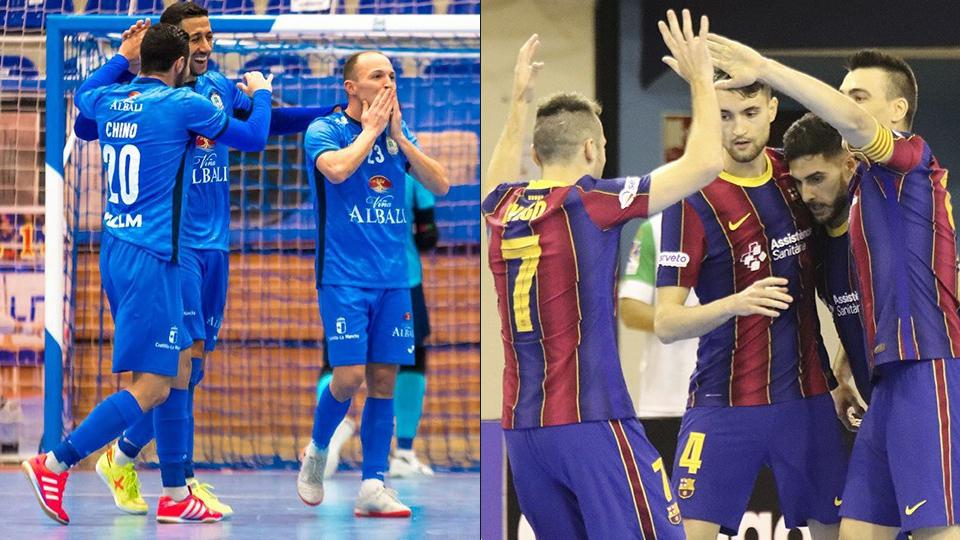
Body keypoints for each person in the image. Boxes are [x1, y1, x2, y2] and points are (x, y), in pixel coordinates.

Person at [73, 3, 338, 518]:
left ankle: (126, 457)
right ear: (173, 44)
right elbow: (87, 125)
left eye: (209, 36)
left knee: (189, 372)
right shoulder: (159, 95)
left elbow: (266, 122)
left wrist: (327, 115)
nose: (203, 46)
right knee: (178, 365)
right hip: (176, 246)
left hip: (215, 242)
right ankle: (179, 482)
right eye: (193, 38)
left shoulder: (215, 84)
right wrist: (123, 67)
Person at [21, 23, 274, 525]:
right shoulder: (183, 105)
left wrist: (121, 57)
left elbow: (86, 96)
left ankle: (177, 494)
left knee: (177, 370)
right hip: (154, 257)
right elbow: (254, 136)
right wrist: (262, 93)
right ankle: (55, 462)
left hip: (117, 249)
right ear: (180, 65)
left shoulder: (111, 97)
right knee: (156, 385)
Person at [709, 36, 960, 539]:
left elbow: (849, 123)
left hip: (928, 365)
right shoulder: (864, 190)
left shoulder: (908, 158)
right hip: (885, 383)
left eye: (858, 96)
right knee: (857, 531)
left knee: (938, 531)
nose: (848, 104)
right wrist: (846, 368)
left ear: (897, 108)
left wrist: (763, 66)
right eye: (844, 93)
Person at [484, 10, 723, 538]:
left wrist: (519, 101)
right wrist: (702, 78)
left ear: (534, 155)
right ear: (592, 150)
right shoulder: (593, 199)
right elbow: (706, 162)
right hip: (591, 422)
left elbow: (498, 172)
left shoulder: (502, 207)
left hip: (522, 433)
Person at [653, 70, 847, 539]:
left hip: (810, 398)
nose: (739, 128)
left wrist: (844, 363)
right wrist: (734, 304)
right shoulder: (691, 197)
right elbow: (666, 322)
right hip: (725, 402)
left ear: (773, 110)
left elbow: (842, 275)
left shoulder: (796, 177)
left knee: (839, 530)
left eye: (750, 113)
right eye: (724, 115)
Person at [297, 49, 449, 518]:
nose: (389, 82)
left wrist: (400, 138)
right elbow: (339, 170)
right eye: (377, 75)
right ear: (352, 87)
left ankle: (374, 484)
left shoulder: (399, 138)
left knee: (384, 380)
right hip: (343, 277)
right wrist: (371, 132)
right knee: (348, 378)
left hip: (393, 280)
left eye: (392, 74)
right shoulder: (323, 130)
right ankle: (318, 450)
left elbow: (441, 185)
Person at [314, 174, 439, 479]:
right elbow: (428, 236)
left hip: (346, 280)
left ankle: (327, 439)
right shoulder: (408, 168)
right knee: (407, 362)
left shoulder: (340, 161)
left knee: (337, 361)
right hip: (399, 279)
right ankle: (404, 453)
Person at [783, 113, 871, 412]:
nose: (808, 194)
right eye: (799, 182)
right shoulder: (817, 246)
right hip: (879, 407)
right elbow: (859, 315)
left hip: (932, 406)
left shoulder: (885, 229)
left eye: (817, 179)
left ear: (849, 165)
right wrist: (840, 373)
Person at [618, 214, 699, 469]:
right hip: (665, 400)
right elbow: (630, 310)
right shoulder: (655, 228)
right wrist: (698, 320)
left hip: (731, 400)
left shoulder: (744, 217)